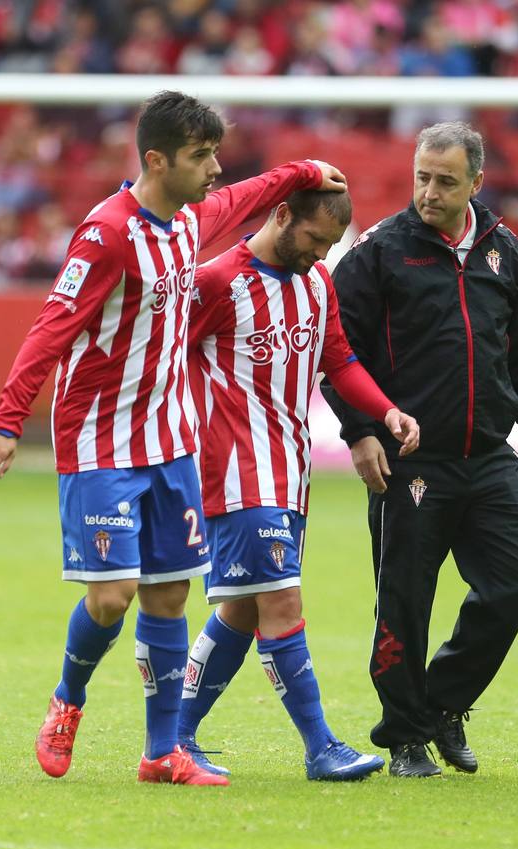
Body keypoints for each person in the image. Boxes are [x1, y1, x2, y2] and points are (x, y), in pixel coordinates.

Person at [0, 90, 346, 788]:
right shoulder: (106, 234)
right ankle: (67, 700)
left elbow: (252, 192)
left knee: (169, 595)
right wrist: (5, 418)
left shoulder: (192, 220)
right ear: (156, 158)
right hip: (101, 439)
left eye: (214, 153)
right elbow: (51, 327)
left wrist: (303, 170)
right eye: (201, 156)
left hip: (170, 438)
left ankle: (161, 751)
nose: (214, 169)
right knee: (112, 596)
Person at [321, 121, 518, 777]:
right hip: (409, 463)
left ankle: (443, 705)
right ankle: (404, 739)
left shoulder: (501, 251)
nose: (428, 191)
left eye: (445, 181)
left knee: (516, 581)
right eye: (421, 177)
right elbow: (337, 354)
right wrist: (360, 431)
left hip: (486, 456)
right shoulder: (377, 254)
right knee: (403, 602)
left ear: (474, 183)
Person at [174, 188, 420, 781]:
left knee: (240, 610)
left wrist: (386, 413)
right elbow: (161, 354)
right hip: (235, 472)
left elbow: (340, 361)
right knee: (282, 603)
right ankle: (321, 746)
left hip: (289, 470)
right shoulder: (217, 283)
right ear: (282, 215)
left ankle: (174, 738)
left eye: (330, 246)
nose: (320, 254)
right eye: (314, 240)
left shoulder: (316, 284)